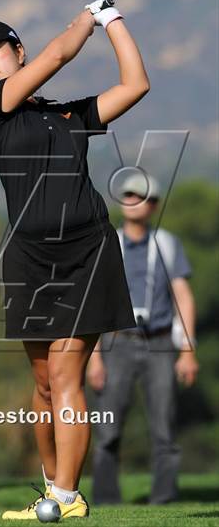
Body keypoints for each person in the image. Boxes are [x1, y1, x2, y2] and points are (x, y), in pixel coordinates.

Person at [0, 0, 149, 520]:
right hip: (28, 258)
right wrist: (82, 20)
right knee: (43, 385)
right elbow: (60, 54)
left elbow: (135, 85)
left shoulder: (68, 115)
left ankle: (66, 498)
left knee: (66, 377)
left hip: (87, 252)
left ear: (17, 51)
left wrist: (109, 20)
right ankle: (53, 487)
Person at [88, 172, 199, 505]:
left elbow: (183, 295)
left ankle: (163, 500)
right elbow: (93, 302)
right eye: (129, 195)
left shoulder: (167, 243)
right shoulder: (108, 243)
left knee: (164, 429)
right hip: (116, 344)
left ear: (154, 205)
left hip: (161, 344)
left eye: (142, 197)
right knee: (107, 429)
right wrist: (93, 357)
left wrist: (188, 351)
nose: (134, 201)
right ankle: (107, 501)